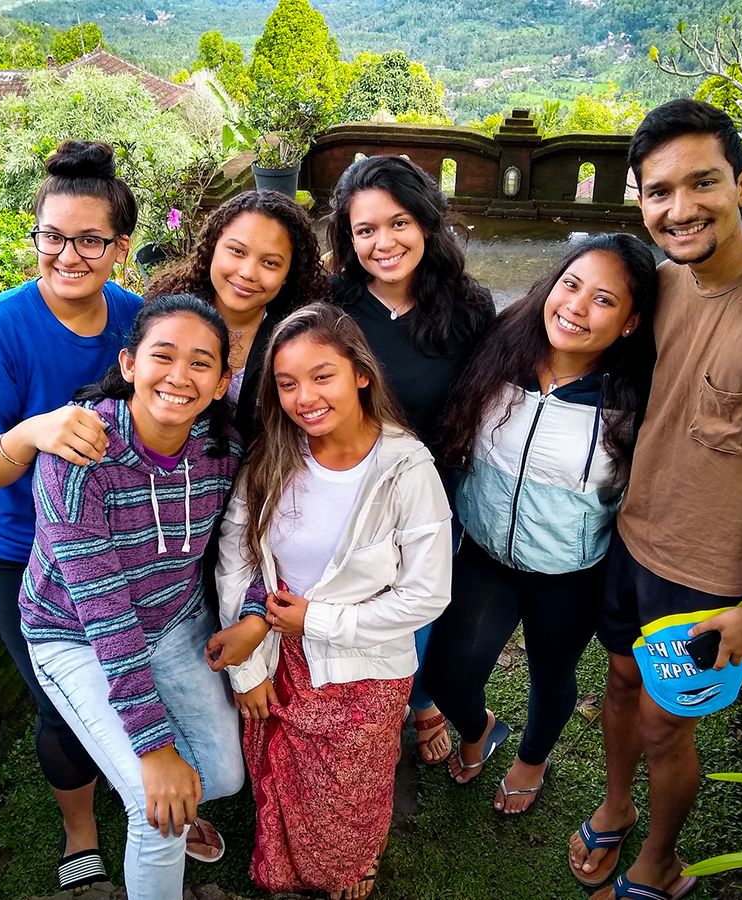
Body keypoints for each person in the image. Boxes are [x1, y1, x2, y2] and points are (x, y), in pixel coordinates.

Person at [567, 99, 742, 900]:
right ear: (639, 199)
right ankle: (617, 806)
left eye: (704, 183)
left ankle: (661, 858)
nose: (681, 208)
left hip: (712, 577)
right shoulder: (667, 283)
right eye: (660, 191)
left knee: (668, 725)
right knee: (622, 685)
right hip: (634, 541)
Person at [0, 140, 160, 891]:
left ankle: (160, 790)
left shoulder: (138, 323)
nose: (68, 255)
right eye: (52, 236)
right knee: (62, 702)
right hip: (20, 552)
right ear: (36, 235)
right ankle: (80, 828)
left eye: (90, 240)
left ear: (120, 248)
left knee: (146, 674)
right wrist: (32, 433)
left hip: (122, 543)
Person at [209, 304, 452, 900]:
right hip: (271, 652)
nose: (304, 397)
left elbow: (427, 593)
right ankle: (285, 868)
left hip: (364, 664)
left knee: (349, 786)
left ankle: (350, 861)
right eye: (287, 383)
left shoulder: (405, 467)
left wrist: (319, 621)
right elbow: (236, 555)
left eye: (323, 375)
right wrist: (246, 665)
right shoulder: (274, 453)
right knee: (279, 773)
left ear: (360, 374)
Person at [19, 295, 245, 900]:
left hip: (173, 619)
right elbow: (104, 610)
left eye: (201, 363)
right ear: (127, 363)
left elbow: (247, 547)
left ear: (223, 382)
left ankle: (176, 789)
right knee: (158, 819)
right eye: (162, 356)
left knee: (222, 776)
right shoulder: (79, 457)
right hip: (76, 633)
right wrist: (152, 747)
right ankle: (161, 804)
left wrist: (249, 616)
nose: (179, 376)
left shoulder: (222, 451)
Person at [423, 233, 658, 815]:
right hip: (483, 554)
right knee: (449, 676)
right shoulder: (499, 349)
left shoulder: (635, 394)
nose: (576, 307)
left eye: (604, 300)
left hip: (571, 571)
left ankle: (532, 760)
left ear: (630, 322)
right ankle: (481, 731)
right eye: (570, 285)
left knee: (552, 677)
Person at [326, 154, 496, 765]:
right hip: (342, 488)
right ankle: (352, 707)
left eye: (398, 223)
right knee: (346, 601)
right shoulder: (332, 305)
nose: (383, 242)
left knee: (418, 608)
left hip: (432, 494)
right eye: (364, 229)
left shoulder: (470, 309)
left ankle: (420, 699)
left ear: (426, 222)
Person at [146, 190, 330, 444]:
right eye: (237, 251)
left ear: (289, 272)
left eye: (270, 263)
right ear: (213, 247)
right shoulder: (168, 317)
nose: (248, 273)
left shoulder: (298, 337)